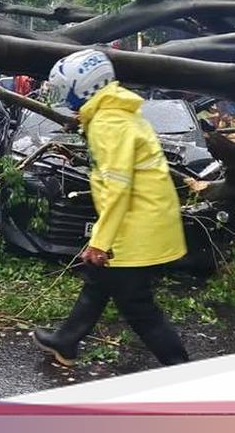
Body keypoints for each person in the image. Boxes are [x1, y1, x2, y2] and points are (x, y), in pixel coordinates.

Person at [31, 49, 190, 367]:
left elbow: (118, 189)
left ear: (81, 87)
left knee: (138, 307)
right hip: (143, 219)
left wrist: (100, 241)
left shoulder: (108, 123)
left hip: (138, 227)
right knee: (98, 280)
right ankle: (66, 341)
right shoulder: (116, 112)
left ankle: (184, 373)